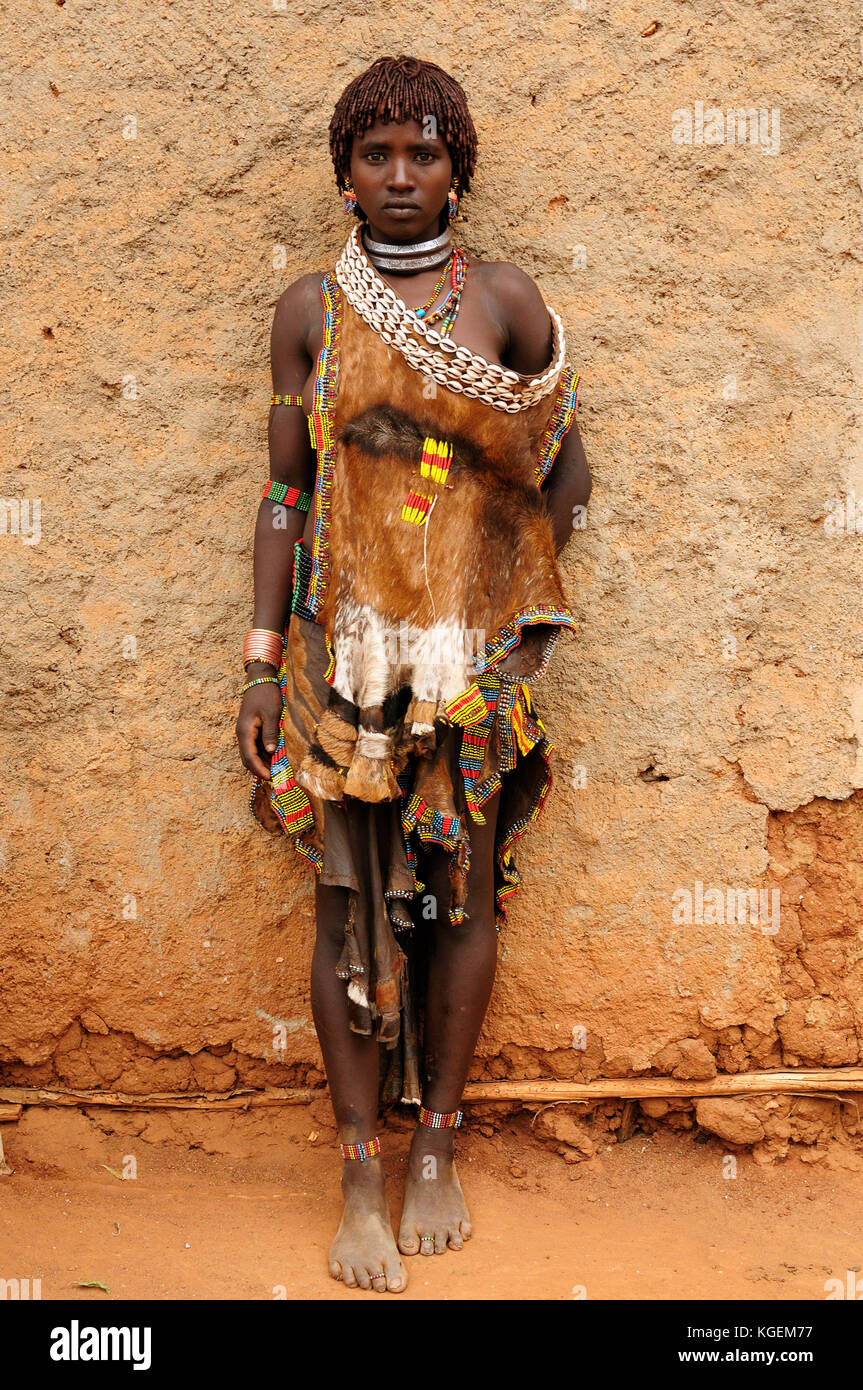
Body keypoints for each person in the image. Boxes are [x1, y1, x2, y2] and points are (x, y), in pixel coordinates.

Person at [236, 54, 591, 1294]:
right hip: (347, 665)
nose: (399, 176)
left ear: (458, 171)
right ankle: (357, 1171)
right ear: (344, 171)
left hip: (465, 670)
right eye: (376, 154)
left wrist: (490, 609)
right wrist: (262, 661)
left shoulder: (502, 304)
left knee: (463, 899)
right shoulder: (309, 311)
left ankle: (435, 1145)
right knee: (343, 910)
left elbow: (563, 475)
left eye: (423, 154)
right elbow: (286, 493)